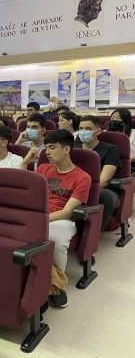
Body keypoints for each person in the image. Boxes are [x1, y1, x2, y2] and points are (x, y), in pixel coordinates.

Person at [22, 130, 91, 308]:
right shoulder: (43, 168)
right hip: (36, 214)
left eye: (52, 148)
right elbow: (23, 188)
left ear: (67, 149)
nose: (48, 152)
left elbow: (68, 212)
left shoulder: (82, 177)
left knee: (55, 239)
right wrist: (25, 162)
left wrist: (40, 220)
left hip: (61, 219)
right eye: (46, 148)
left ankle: (57, 286)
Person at [78, 115, 121, 230]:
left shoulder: (110, 149)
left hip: (100, 190)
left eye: (88, 129)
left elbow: (104, 180)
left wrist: (80, 191)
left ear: (98, 131)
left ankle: (93, 234)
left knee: (106, 196)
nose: (83, 132)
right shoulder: (74, 149)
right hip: (75, 187)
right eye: (81, 128)